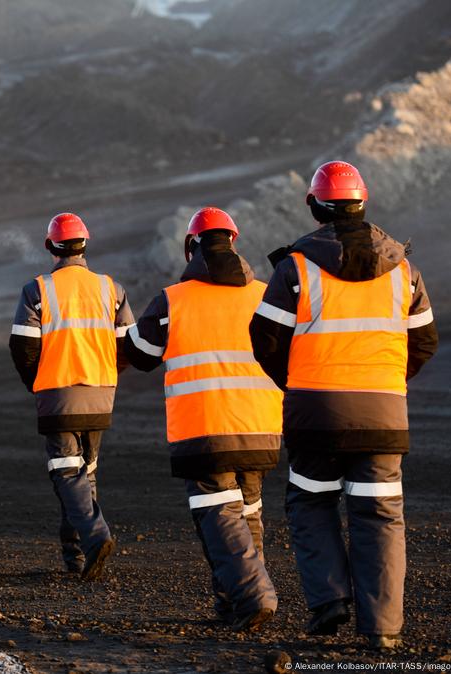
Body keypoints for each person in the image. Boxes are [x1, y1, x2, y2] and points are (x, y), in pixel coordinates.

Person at [249, 161, 438, 649]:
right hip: (383, 414)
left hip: (314, 413)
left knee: (311, 501)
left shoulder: (295, 268)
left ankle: (329, 601)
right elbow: (424, 342)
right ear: (363, 202)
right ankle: (383, 629)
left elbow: (265, 340)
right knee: (379, 514)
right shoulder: (404, 271)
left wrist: (295, 385)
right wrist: (387, 382)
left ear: (314, 206)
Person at [124, 206, 282, 632]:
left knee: (217, 510)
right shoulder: (266, 293)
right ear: (233, 243)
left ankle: (253, 595)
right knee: (248, 510)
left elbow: (139, 354)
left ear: (191, 247)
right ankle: (233, 602)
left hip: (205, 428)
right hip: (261, 425)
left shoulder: (173, 300)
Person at [9, 212, 134, 579]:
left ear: (50, 246)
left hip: (57, 393)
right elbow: (128, 344)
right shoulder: (111, 288)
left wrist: (38, 381)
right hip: (100, 393)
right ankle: (76, 558)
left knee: (66, 472)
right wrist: (107, 376)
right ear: (85, 244)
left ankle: (95, 537)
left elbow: (22, 347)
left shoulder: (38, 290)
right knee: (83, 474)